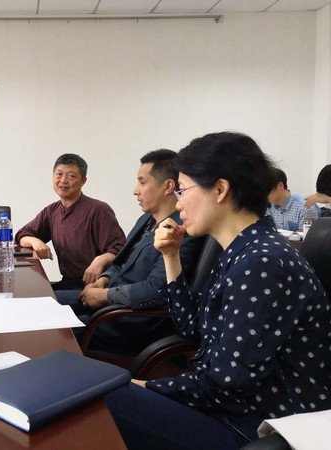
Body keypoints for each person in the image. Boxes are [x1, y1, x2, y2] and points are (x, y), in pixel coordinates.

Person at [105, 132, 331, 450]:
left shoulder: (262, 262)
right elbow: (190, 325)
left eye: (183, 190)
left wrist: (143, 385)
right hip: (226, 406)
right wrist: (171, 256)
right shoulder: (241, 250)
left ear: (220, 190)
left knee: (103, 398)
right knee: (100, 391)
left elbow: (225, 384)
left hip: (256, 426)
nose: (178, 203)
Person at [55, 150, 204, 349]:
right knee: (47, 302)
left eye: (142, 182)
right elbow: (121, 261)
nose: (135, 190)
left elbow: (156, 290)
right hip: (110, 302)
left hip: (130, 319)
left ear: (168, 186)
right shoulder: (146, 220)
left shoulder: (180, 231)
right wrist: (103, 279)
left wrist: (105, 296)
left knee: (52, 332)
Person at [15, 154, 126, 290]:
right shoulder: (52, 211)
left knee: (35, 297)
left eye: (71, 176)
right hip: (67, 283)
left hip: (94, 286)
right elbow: (22, 234)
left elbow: (121, 249)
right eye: (59, 174)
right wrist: (35, 242)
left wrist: (101, 259)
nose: (63, 180)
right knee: (26, 291)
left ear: (83, 181)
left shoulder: (99, 210)